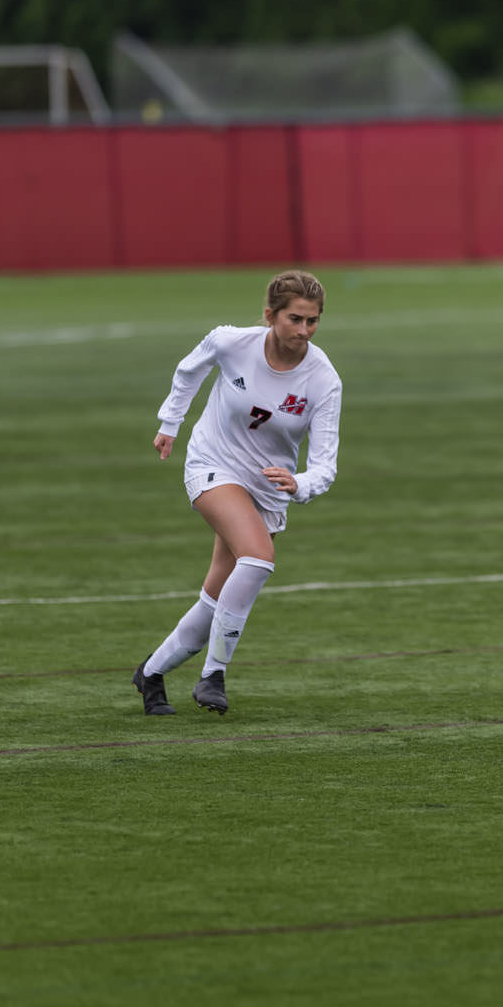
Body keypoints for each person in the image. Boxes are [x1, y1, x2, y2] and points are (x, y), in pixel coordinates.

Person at [130, 270, 342, 716]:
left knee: (218, 594)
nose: (304, 331)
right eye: (295, 319)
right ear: (270, 316)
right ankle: (214, 675)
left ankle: (150, 673)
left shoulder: (323, 380)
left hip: (267, 489)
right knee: (259, 557)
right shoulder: (231, 342)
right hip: (212, 464)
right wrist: (170, 425)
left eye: (313, 321)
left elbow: (325, 464)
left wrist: (299, 482)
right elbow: (189, 369)